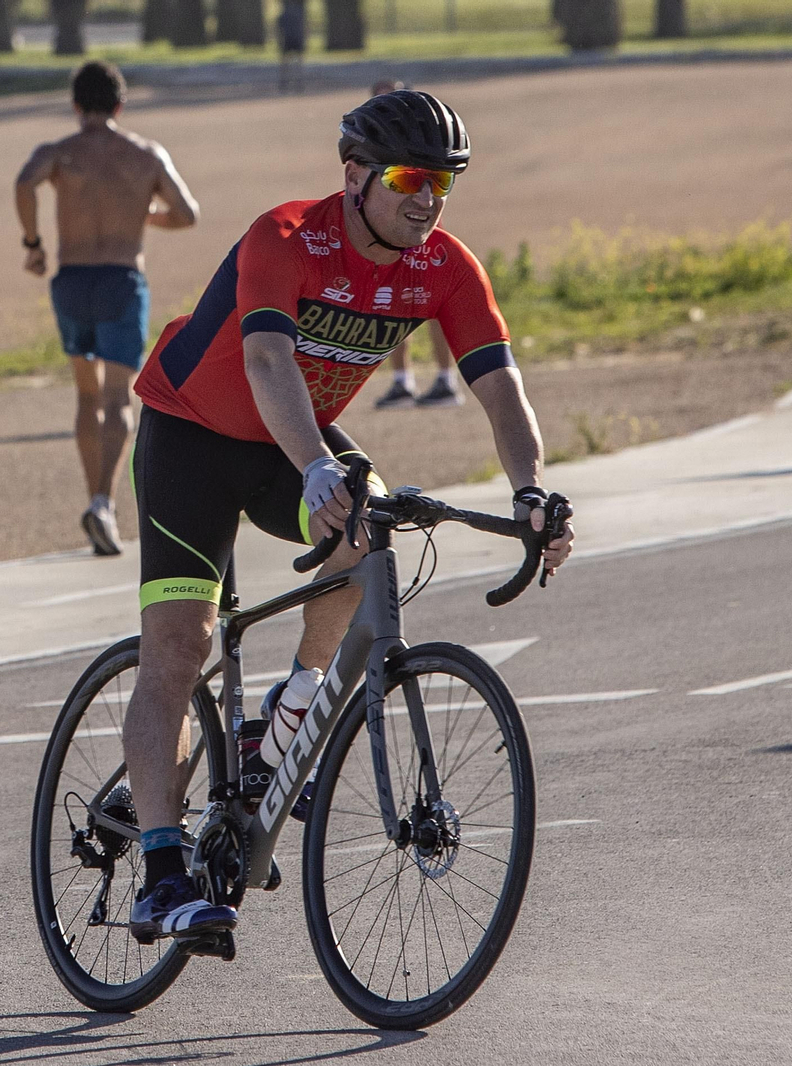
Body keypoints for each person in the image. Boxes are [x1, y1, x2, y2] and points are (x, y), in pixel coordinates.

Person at [120, 90, 576, 941]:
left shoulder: (443, 265)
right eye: (408, 177)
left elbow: (499, 384)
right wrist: (320, 465)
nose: (426, 199)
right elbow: (264, 359)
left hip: (288, 441)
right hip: (194, 432)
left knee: (366, 528)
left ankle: (290, 711)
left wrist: (532, 492)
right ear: (356, 173)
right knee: (181, 647)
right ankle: (159, 872)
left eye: (443, 183)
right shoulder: (287, 237)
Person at [14, 61, 200, 557]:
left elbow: (24, 183)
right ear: (120, 105)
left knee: (85, 397)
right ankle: (103, 502)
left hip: (72, 280)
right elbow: (187, 213)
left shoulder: (59, 152)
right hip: (121, 279)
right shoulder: (144, 154)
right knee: (119, 399)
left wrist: (33, 243)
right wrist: (142, 214)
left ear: (76, 105)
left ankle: (93, 496)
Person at [365, 79, 463, 410]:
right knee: (392, 304)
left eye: (392, 96)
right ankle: (402, 381)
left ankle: (445, 380)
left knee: (436, 310)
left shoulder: (423, 134)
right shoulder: (373, 139)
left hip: (423, 237)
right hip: (391, 237)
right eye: (380, 99)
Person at [277, 0, 307, 94]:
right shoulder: (298, 13)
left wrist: (279, 41)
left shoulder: (283, 14)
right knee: (296, 62)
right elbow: (304, 27)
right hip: (295, 38)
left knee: (287, 62)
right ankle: (297, 82)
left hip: (289, 39)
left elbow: (278, 30)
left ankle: (286, 82)